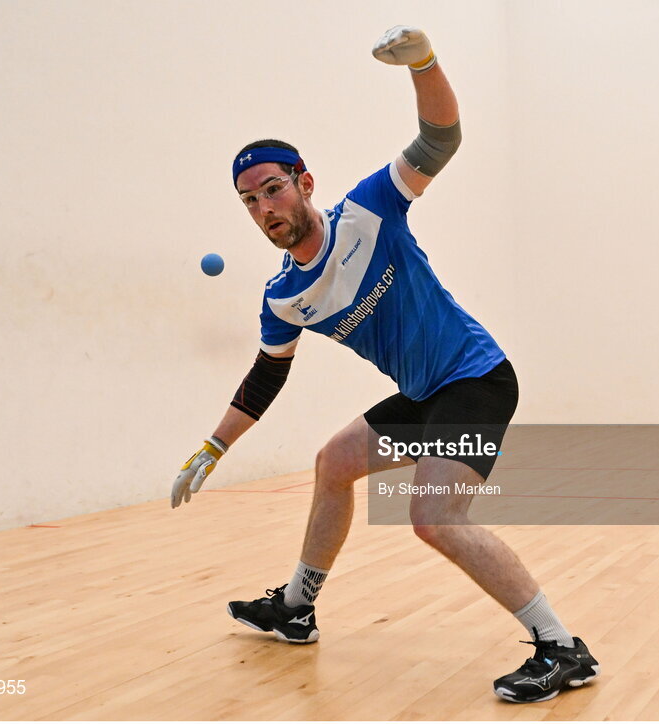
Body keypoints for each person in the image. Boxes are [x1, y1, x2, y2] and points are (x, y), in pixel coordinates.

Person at [170, 25, 598, 704]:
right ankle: (297, 607)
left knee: (434, 517)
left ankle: (562, 648)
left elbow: (439, 140)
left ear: (304, 182)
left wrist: (423, 64)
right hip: (426, 395)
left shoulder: (370, 209)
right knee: (334, 462)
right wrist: (213, 445)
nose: (264, 209)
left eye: (274, 189)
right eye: (249, 201)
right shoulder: (284, 298)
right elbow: (265, 377)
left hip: (477, 379)